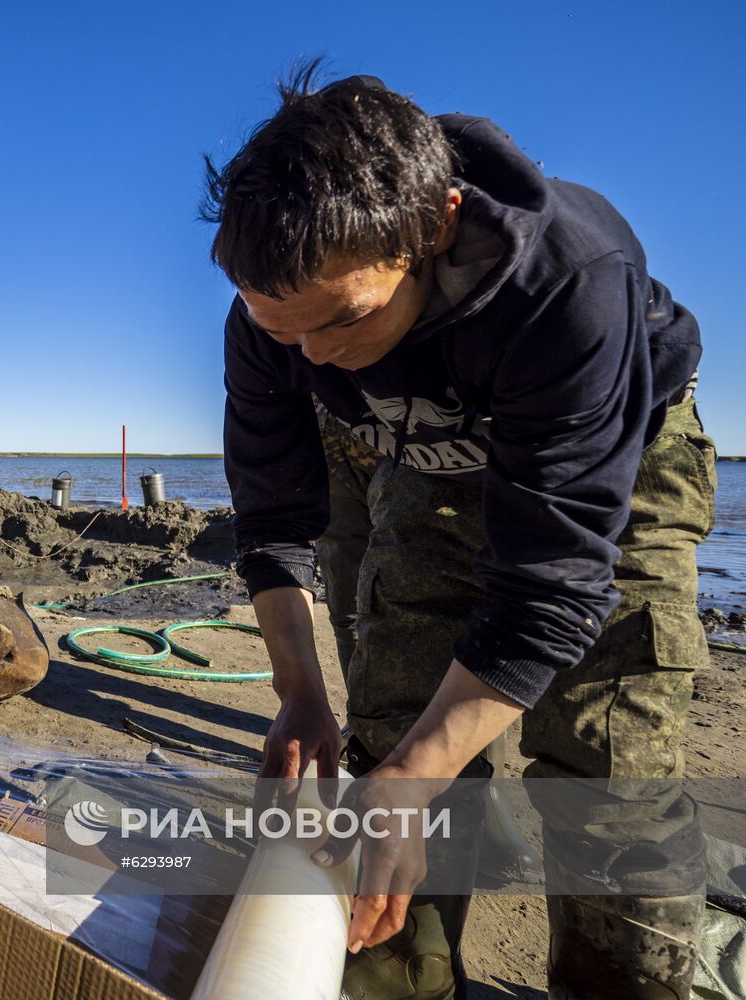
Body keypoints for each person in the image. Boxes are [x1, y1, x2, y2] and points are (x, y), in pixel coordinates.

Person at [208, 65, 712, 999]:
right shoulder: (280, 311)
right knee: (391, 732)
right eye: (282, 330)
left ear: (434, 227)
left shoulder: (569, 281)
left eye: (341, 320)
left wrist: (417, 774)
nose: (311, 357)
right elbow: (274, 516)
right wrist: (299, 694)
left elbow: (551, 588)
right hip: (429, 453)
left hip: (613, 461)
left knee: (605, 773)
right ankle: (400, 978)